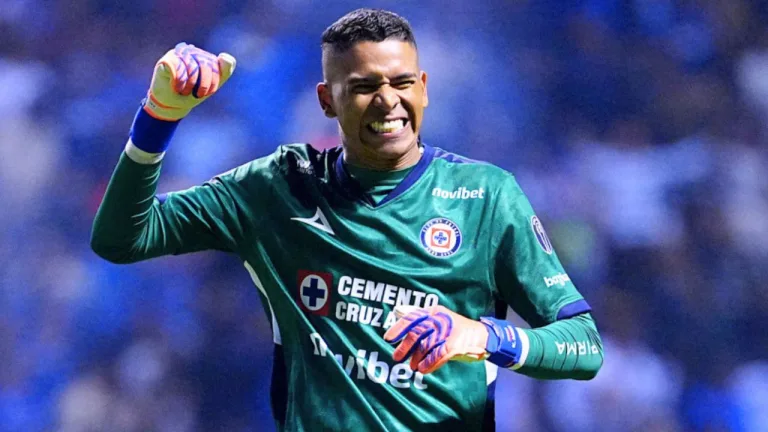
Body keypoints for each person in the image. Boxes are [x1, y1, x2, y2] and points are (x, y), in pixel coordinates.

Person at [91, 8, 604, 431]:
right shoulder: (278, 186)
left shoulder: (487, 196)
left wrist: (485, 336)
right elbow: (122, 238)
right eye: (363, 86)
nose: (388, 100)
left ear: (424, 88)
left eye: (403, 82)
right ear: (326, 100)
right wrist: (158, 118)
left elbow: (583, 345)